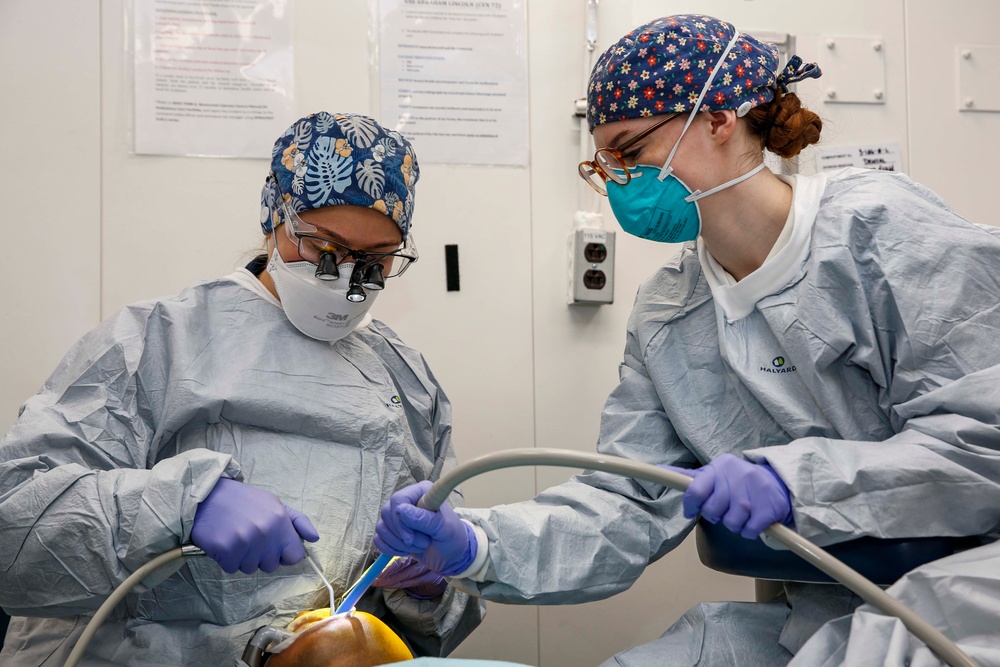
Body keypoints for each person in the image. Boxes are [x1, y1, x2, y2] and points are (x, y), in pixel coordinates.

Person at [373, 14, 1000, 667]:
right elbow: (631, 497)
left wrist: (797, 481)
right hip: (824, 608)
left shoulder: (885, 234)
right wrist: (475, 543)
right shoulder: (671, 312)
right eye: (605, 161)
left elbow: (984, 446)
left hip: (972, 595)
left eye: (631, 150)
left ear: (718, 119)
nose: (620, 180)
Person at [0, 111, 484, 666]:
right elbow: (15, 523)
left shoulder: (407, 381)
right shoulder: (157, 341)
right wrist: (180, 506)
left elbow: (443, 619)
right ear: (276, 216)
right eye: (324, 248)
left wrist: (428, 586)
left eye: (374, 261)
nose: (348, 277)